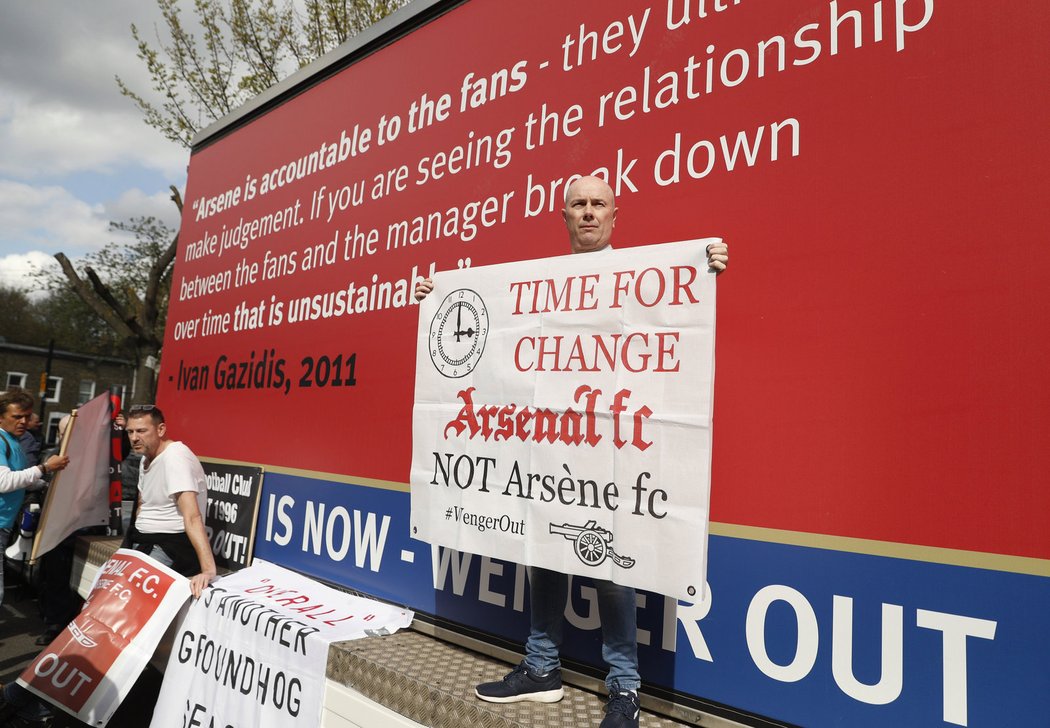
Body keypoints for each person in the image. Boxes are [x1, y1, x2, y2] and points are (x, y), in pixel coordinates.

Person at [414, 176, 728, 728]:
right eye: (578, 205)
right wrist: (435, 300)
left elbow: (675, 325)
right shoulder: (538, 281)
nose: (588, 213)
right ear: (564, 216)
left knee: (610, 558)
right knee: (541, 546)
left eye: (597, 204)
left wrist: (706, 266)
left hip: (608, 447)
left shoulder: (641, 275)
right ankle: (541, 668)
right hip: (546, 443)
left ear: (614, 215)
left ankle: (625, 687)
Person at [123, 405, 216, 598]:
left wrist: (208, 571)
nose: (134, 438)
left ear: (161, 430)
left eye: (141, 431)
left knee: (133, 597)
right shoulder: (145, 457)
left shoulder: (175, 457)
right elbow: (142, 504)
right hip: (141, 539)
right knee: (110, 590)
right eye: (130, 431)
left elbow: (192, 516)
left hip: (169, 545)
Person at [0, 390, 70, 608]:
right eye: (17, 416)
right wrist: (45, 468)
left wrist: (45, 483)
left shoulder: (13, 441)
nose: (23, 421)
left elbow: (22, 479)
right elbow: (4, 482)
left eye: (27, 416)